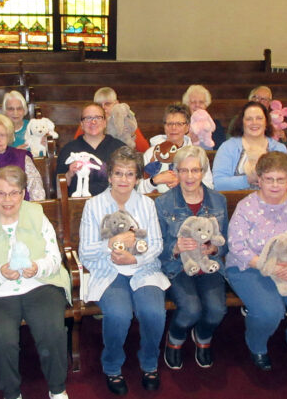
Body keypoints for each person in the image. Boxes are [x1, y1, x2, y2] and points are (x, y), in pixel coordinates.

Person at [0, 166, 71, 399]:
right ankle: (12, 393)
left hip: (39, 284)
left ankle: (57, 388)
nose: (8, 200)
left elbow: (55, 258)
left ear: (23, 193)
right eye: (1, 193)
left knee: (51, 329)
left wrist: (38, 267)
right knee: (1, 338)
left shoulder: (37, 215)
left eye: (14, 193)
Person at [78, 146, 169, 395]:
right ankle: (112, 366)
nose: (123, 180)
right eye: (118, 173)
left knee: (154, 312)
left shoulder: (147, 204)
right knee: (119, 315)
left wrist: (134, 259)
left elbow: (156, 245)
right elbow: (85, 252)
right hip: (108, 270)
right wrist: (110, 244)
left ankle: (149, 362)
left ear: (138, 178)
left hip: (143, 269)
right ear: (109, 176)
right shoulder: (94, 205)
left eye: (130, 174)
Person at [225, 151, 287, 371]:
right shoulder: (246, 207)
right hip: (253, 267)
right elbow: (237, 246)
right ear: (259, 180)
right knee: (269, 312)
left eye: (280, 180)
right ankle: (257, 345)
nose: (274, 185)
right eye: (269, 179)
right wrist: (268, 266)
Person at [154, 146, 228, 370]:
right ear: (176, 171)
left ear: (203, 171)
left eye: (195, 170)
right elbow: (157, 245)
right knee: (191, 309)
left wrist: (213, 249)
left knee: (217, 310)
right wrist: (175, 248)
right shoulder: (163, 203)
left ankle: (203, 335)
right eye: (183, 170)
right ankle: (175, 338)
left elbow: (225, 242)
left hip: (208, 265)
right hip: (177, 266)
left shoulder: (218, 201)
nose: (189, 176)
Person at [212, 102, 287, 191]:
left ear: (266, 122)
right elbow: (218, 184)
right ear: (242, 123)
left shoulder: (279, 148)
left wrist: (273, 181)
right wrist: (247, 180)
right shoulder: (228, 147)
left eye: (259, 118)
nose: (254, 122)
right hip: (237, 199)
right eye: (249, 119)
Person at [138, 103, 213, 194]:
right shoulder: (151, 153)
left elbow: (209, 187)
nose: (173, 128)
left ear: (187, 127)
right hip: (156, 200)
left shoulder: (198, 154)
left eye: (179, 124)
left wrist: (185, 183)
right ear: (164, 126)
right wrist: (154, 181)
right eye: (169, 124)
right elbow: (138, 189)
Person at [56, 103, 126, 197]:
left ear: (105, 122)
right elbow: (58, 189)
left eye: (98, 117)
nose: (93, 122)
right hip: (79, 204)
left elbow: (131, 181)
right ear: (81, 124)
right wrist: (70, 173)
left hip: (114, 202)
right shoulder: (68, 150)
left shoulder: (120, 148)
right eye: (88, 118)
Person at [73, 87, 150, 152]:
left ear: (116, 104)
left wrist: (132, 134)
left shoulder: (125, 122)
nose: (103, 108)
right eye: (99, 105)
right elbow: (75, 148)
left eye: (107, 104)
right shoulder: (88, 123)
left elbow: (145, 150)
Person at [182, 84, 226, 149]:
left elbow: (220, 148)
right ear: (187, 104)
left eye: (201, 102)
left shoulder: (215, 125)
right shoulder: (182, 124)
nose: (197, 105)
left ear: (206, 105)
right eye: (193, 102)